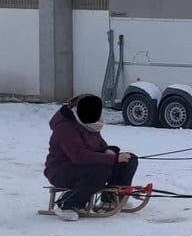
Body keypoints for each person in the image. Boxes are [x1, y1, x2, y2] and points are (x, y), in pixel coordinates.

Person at [44, 93, 138, 221]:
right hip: (62, 171)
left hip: (85, 166)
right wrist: (113, 159)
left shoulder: (89, 124)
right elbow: (79, 156)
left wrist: (110, 151)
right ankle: (66, 204)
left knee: (129, 160)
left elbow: (100, 146)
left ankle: (109, 199)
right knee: (100, 171)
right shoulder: (65, 128)